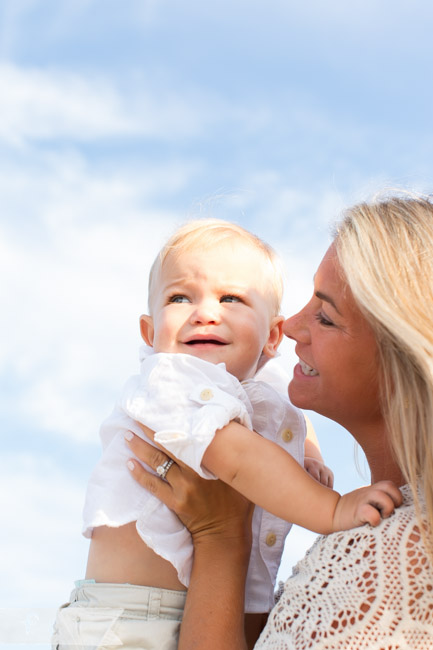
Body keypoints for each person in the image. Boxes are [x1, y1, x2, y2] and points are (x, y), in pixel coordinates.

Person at [52, 218, 400, 650]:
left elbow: (289, 413)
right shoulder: (170, 378)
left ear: (271, 336)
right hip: (128, 619)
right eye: (180, 297)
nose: (204, 312)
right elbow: (234, 455)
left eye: (230, 298)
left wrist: (309, 453)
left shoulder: (253, 385)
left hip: (207, 603)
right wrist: (331, 510)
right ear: (149, 331)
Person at [126, 194, 433, 649]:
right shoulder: (372, 538)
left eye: (325, 317)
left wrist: (221, 537)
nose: (290, 328)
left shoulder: (398, 553)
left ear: (402, 358)